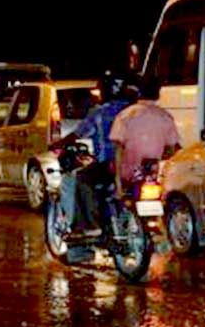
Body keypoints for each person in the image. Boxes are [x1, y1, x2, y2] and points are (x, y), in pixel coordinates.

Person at [51, 72, 132, 237]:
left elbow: (78, 134)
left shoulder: (99, 113)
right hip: (133, 164)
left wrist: (57, 145)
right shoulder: (132, 110)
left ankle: (90, 225)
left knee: (82, 179)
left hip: (109, 165)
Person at [110, 75, 181, 190]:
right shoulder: (165, 117)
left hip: (129, 176)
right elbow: (171, 149)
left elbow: (118, 150)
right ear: (158, 94)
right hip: (156, 176)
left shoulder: (125, 116)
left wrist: (118, 182)